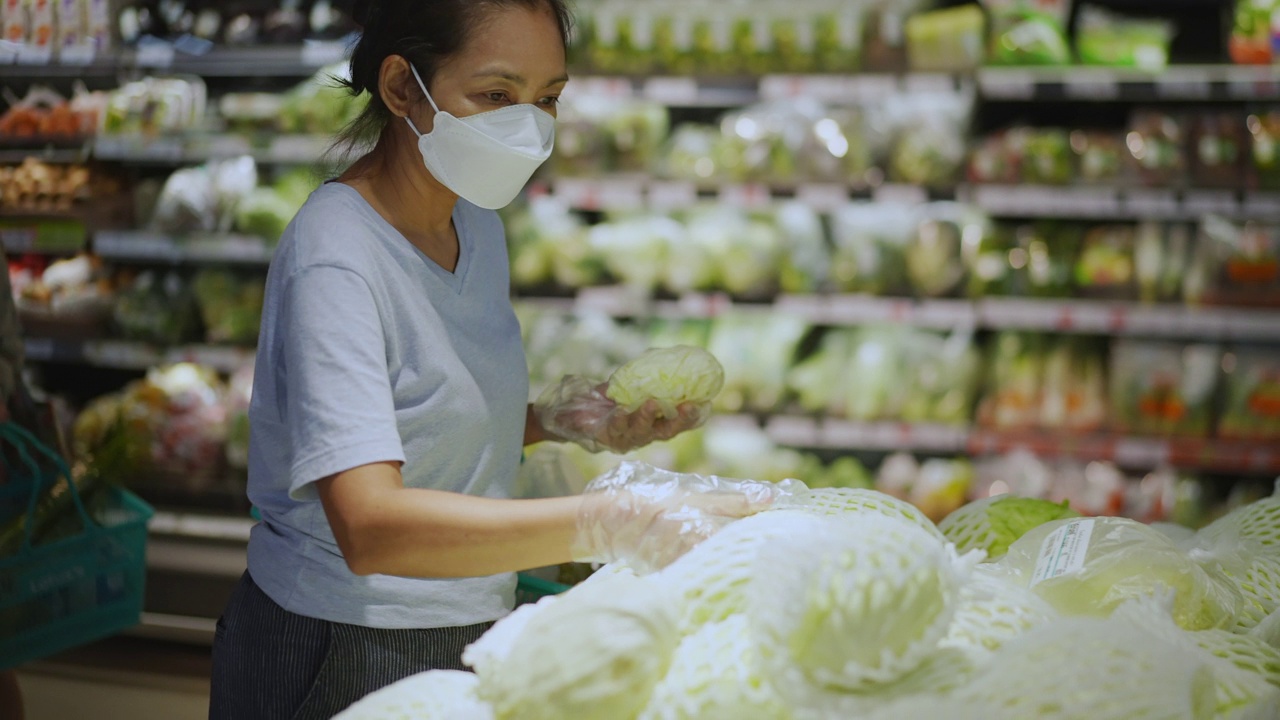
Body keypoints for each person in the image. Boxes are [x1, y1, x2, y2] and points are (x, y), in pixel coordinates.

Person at [208, 1, 781, 718]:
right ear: (401, 88)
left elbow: (420, 429)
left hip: (469, 616)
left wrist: (562, 420)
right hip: (344, 643)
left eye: (548, 99)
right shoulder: (337, 259)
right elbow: (369, 525)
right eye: (496, 96)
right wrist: (615, 520)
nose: (529, 125)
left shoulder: (472, 221)